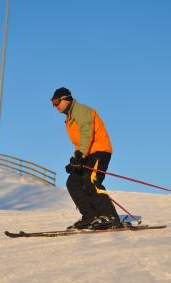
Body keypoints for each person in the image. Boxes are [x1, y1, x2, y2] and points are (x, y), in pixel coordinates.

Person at [51, 87, 120, 230]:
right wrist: (74, 160)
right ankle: (90, 216)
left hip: (99, 151)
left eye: (56, 101)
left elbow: (87, 133)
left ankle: (110, 216)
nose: (55, 106)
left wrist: (80, 156)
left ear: (66, 99)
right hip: (87, 153)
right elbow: (80, 142)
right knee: (73, 182)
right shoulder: (69, 118)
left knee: (91, 180)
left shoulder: (80, 111)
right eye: (53, 103)